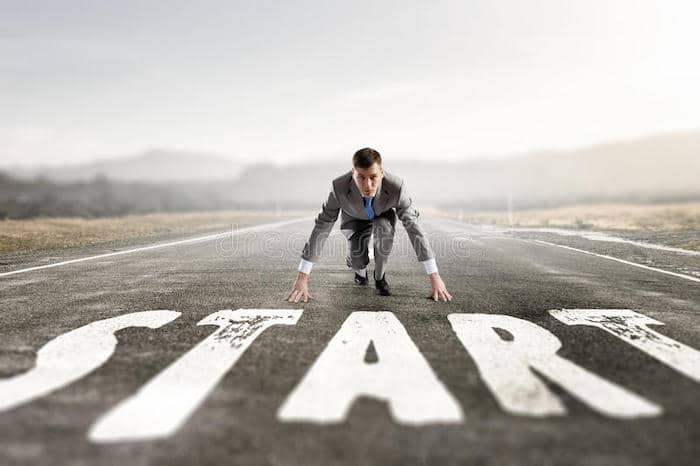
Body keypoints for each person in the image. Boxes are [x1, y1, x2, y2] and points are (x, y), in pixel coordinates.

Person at [286, 147, 452, 303]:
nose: (367, 185)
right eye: (361, 177)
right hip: (354, 217)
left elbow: (414, 228)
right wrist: (302, 278)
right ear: (353, 174)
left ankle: (380, 277)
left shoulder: (397, 187)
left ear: (381, 173)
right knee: (358, 256)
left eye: (373, 177)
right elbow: (322, 226)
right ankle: (359, 270)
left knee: (384, 232)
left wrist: (434, 276)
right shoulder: (338, 187)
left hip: (382, 215)